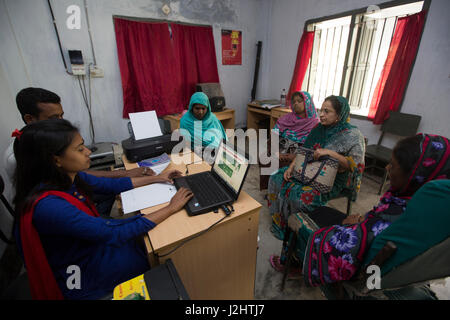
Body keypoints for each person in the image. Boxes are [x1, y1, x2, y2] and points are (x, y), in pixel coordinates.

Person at [12, 119, 193, 300]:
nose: (88, 152)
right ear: (56, 160)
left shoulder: (67, 178)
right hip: (81, 275)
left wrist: (158, 178)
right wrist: (171, 208)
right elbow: (110, 233)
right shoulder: (49, 206)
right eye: (80, 148)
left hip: (92, 248)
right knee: (160, 253)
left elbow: (111, 185)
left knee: (150, 238)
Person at [278, 134, 450, 288]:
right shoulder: (427, 208)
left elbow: (341, 251)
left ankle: (294, 263)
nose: (387, 168)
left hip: (362, 268)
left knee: (301, 218)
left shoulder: (393, 216)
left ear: (414, 175)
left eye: (393, 165)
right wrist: (365, 223)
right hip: (369, 240)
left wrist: (350, 227)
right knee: (321, 211)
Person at [3, 87, 154, 216]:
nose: (62, 122)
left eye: (62, 115)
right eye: (54, 118)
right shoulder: (23, 154)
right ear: (30, 119)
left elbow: (82, 176)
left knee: (111, 189)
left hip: (66, 195)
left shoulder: (45, 141)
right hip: (52, 210)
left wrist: (125, 173)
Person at [267, 95, 365, 242]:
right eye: (321, 110)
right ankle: (281, 223)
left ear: (339, 115)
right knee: (276, 177)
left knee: (300, 196)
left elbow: (356, 167)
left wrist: (331, 153)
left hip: (331, 180)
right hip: (308, 169)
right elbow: (304, 151)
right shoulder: (318, 128)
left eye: (327, 111)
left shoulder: (352, 135)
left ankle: (297, 231)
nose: (321, 115)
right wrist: (291, 167)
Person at [272, 91, 319, 156]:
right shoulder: (286, 118)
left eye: (299, 101)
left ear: (307, 102)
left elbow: (313, 145)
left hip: (299, 153)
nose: (296, 103)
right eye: (294, 102)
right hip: (281, 148)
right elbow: (274, 134)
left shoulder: (314, 122)